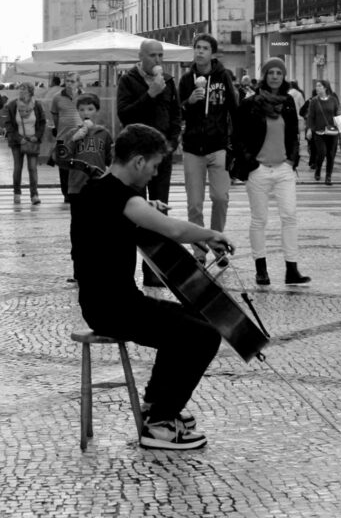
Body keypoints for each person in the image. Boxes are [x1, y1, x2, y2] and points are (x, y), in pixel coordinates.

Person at [71, 122, 232, 450]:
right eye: (156, 165)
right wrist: (211, 234)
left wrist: (146, 209)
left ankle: (156, 408)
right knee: (205, 335)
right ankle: (159, 425)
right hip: (114, 308)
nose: (155, 173)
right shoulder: (125, 200)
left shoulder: (97, 190)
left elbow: (121, 217)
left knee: (197, 322)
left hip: (105, 303)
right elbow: (174, 231)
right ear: (139, 161)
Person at [235, 57, 309, 286]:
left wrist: (291, 161)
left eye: (279, 72)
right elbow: (238, 137)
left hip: (284, 169)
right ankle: (261, 269)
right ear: (264, 76)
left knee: (289, 216)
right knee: (260, 220)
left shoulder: (287, 102)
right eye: (271, 72)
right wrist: (251, 163)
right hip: (259, 170)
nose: (275, 76)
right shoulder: (250, 103)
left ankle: (292, 269)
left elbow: (293, 135)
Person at [117, 39, 182, 287]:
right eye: (153, 55)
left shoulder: (168, 80)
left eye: (160, 55)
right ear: (141, 56)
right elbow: (125, 114)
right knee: (133, 211)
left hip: (161, 155)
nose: (157, 60)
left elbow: (176, 114)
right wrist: (149, 94)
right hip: (135, 157)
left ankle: (154, 271)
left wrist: (173, 141)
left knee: (159, 211)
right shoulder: (128, 80)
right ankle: (127, 272)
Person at [178, 34, 238, 263]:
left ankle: (218, 244)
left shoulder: (223, 77)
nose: (200, 52)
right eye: (197, 48)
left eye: (204, 48)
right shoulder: (186, 79)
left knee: (221, 198)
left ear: (212, 53)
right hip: (193, 147)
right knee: (194, 204)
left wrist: (235, 143)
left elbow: (233, 109)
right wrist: (190, 102)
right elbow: (178, 111)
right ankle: (199, 251)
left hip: (218, 145)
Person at [62, 92, 113, 281]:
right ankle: (79, 271)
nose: (86, 113)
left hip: (98, 189)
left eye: (90, 109)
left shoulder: (104, 134)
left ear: (97, 111)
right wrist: (74, 139)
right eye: (82, 109)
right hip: (77, 188)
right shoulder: (71, 132)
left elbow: (110, 160)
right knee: (78, 230)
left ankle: (97, 269)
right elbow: (60, 158)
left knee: (98, 230)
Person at [4, 81, 46, 205]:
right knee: (18, 167)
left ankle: (34, 195)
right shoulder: (13, 105)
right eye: (20, 89)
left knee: (32, 168)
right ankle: (17, 193)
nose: (21, 92)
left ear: (30, 92)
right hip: (18, 142)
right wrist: (18, 138)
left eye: (24, 89)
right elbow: (9, 125)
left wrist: (37, 136)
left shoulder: (37, 105)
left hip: (32, 141)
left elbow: (42, 122)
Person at [50, 73, 82, 204]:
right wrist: (60, 129)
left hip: (80, 137)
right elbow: (55, 116)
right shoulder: (57, 97)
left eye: (72, 81)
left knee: (79, 165)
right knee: (64, 167)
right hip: (63, 136)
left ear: (78, 82)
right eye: (67, 81)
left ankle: (78, 191)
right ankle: (66, 194)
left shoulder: (84, 96)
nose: (69, 84)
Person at [305, 79, 341, 185]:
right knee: (322, 153)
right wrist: (309, 129)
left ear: (325, 87)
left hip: (332, 132)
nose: (317, 87)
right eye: (316, 86)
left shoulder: (333, 100)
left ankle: (328, 176)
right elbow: (311, 117)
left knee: (331, 155)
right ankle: (318, 169)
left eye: (319, 86)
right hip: (319, 132)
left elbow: (337, 114)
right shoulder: (314, 101)